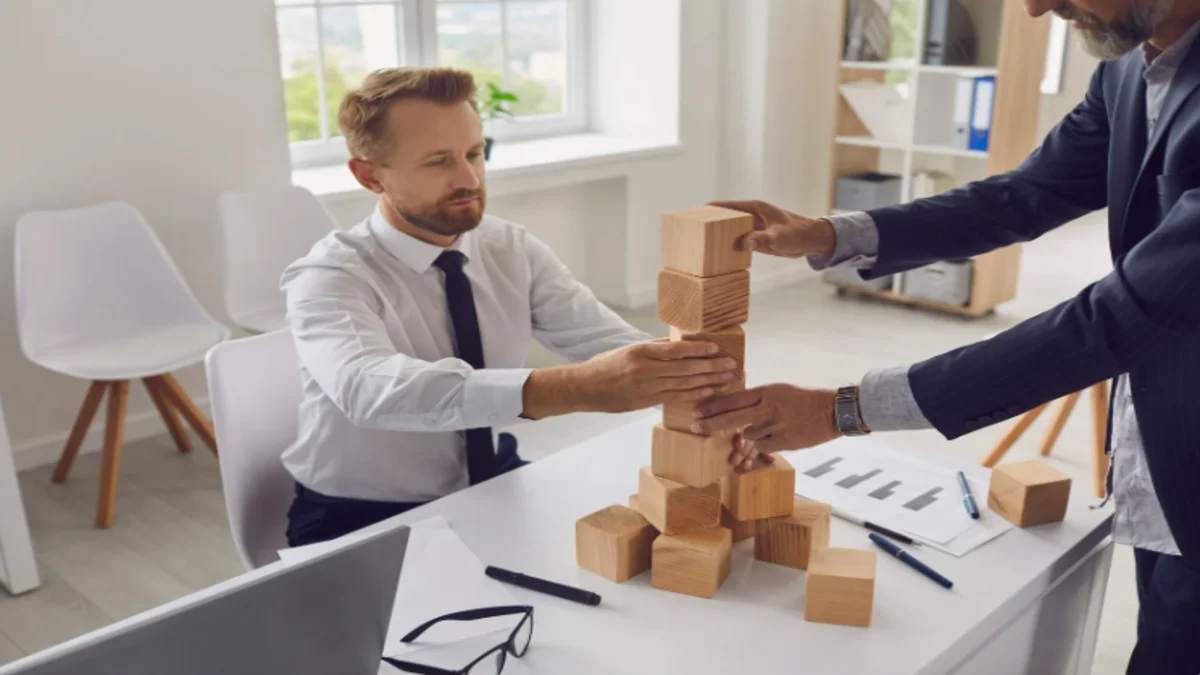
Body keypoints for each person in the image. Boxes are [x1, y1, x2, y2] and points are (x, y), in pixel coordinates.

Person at [693, 1, 1200, 672]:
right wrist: (831, 233)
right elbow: (1023, 196)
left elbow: (1113, 320)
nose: (1034, 6)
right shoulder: (1130, 69)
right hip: (1166, 454)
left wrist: (840, 409)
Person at [281, 67, 739, 548]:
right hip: (358, 513)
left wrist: (723, 405)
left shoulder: (508, 246)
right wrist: (571, 390)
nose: (468, 178)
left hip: (490, 476)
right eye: (438, 162)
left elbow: (605, 340)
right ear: (369, 174)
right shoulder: (328, 276)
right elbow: (369, 389)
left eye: (475, 153)